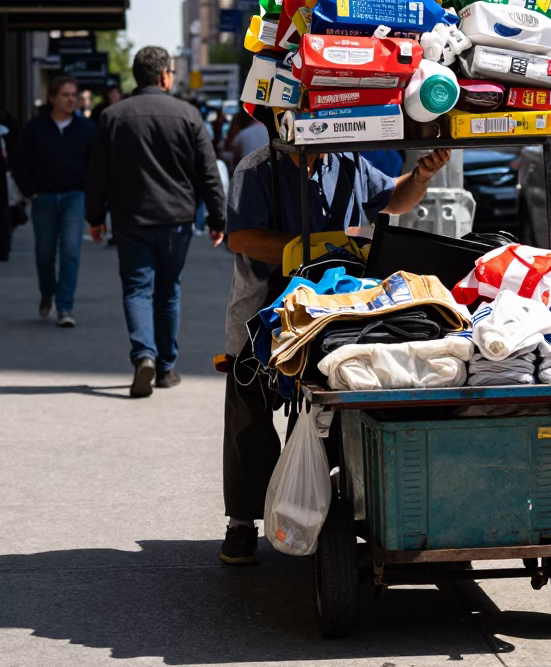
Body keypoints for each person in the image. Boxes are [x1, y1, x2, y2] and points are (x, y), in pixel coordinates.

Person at [219, 140, 451, 564]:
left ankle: (307, 510)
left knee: (322, 411)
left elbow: (391, 200)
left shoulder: (345, 160)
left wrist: (419, 177)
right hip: (263, 310)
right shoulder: (255, 170)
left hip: (330, 310)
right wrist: (314, 248)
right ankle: (241, 522)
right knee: (248, 412)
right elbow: (241, 238)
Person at [86, 45, 226, 398]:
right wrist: (217, 217)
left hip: (130, 218)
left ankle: (143, 355)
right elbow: (208, 173)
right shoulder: (188, 115)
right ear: (164, 75)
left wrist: (94, 217)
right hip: (176, 220)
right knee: (168, 292)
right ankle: (166, 368)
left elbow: (97, 173)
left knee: (136, 289)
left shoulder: (112, 116)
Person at [15, 76, 97, 326]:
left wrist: (92, 195)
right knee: (45, 253)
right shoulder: (35, 128)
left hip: (74, 196)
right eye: (66, 95)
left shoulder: (86, 128)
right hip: (44, 198)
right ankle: (47, 294)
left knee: (71, 251)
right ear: (52, 98)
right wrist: (31, 192)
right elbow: (20, 163)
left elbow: (95, 165)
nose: (72, 99)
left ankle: (64, 307)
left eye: (74, 95)